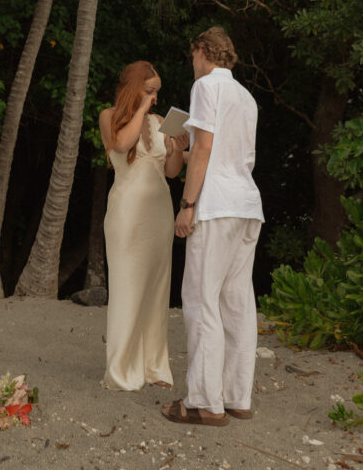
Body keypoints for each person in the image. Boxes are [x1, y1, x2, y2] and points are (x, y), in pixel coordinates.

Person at [162, 27, 264, 428]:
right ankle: (237, 396)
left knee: (202, 299)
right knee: (237, 302)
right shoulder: (246, 96)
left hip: (216, 204)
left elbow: (205, 148)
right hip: (247, 204)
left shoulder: (206, 86)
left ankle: (204, 401)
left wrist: (187, 205)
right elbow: (226, 154)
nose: (193, 64)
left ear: (204, 52)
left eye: (193, 56)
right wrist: (181, 152)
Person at [99, 61, 188, 391]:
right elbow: (121, 145)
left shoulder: (160, 121)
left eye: (157, 92)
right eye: (149, 90)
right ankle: (122, 370)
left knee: (155, 289)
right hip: (126, 212)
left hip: (158, 213)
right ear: (133, 87)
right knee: (127, 287)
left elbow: (171, 171)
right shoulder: (109, 116)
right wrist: (140, 109)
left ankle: (154, 367)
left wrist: (177, 146)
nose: (154, 97)